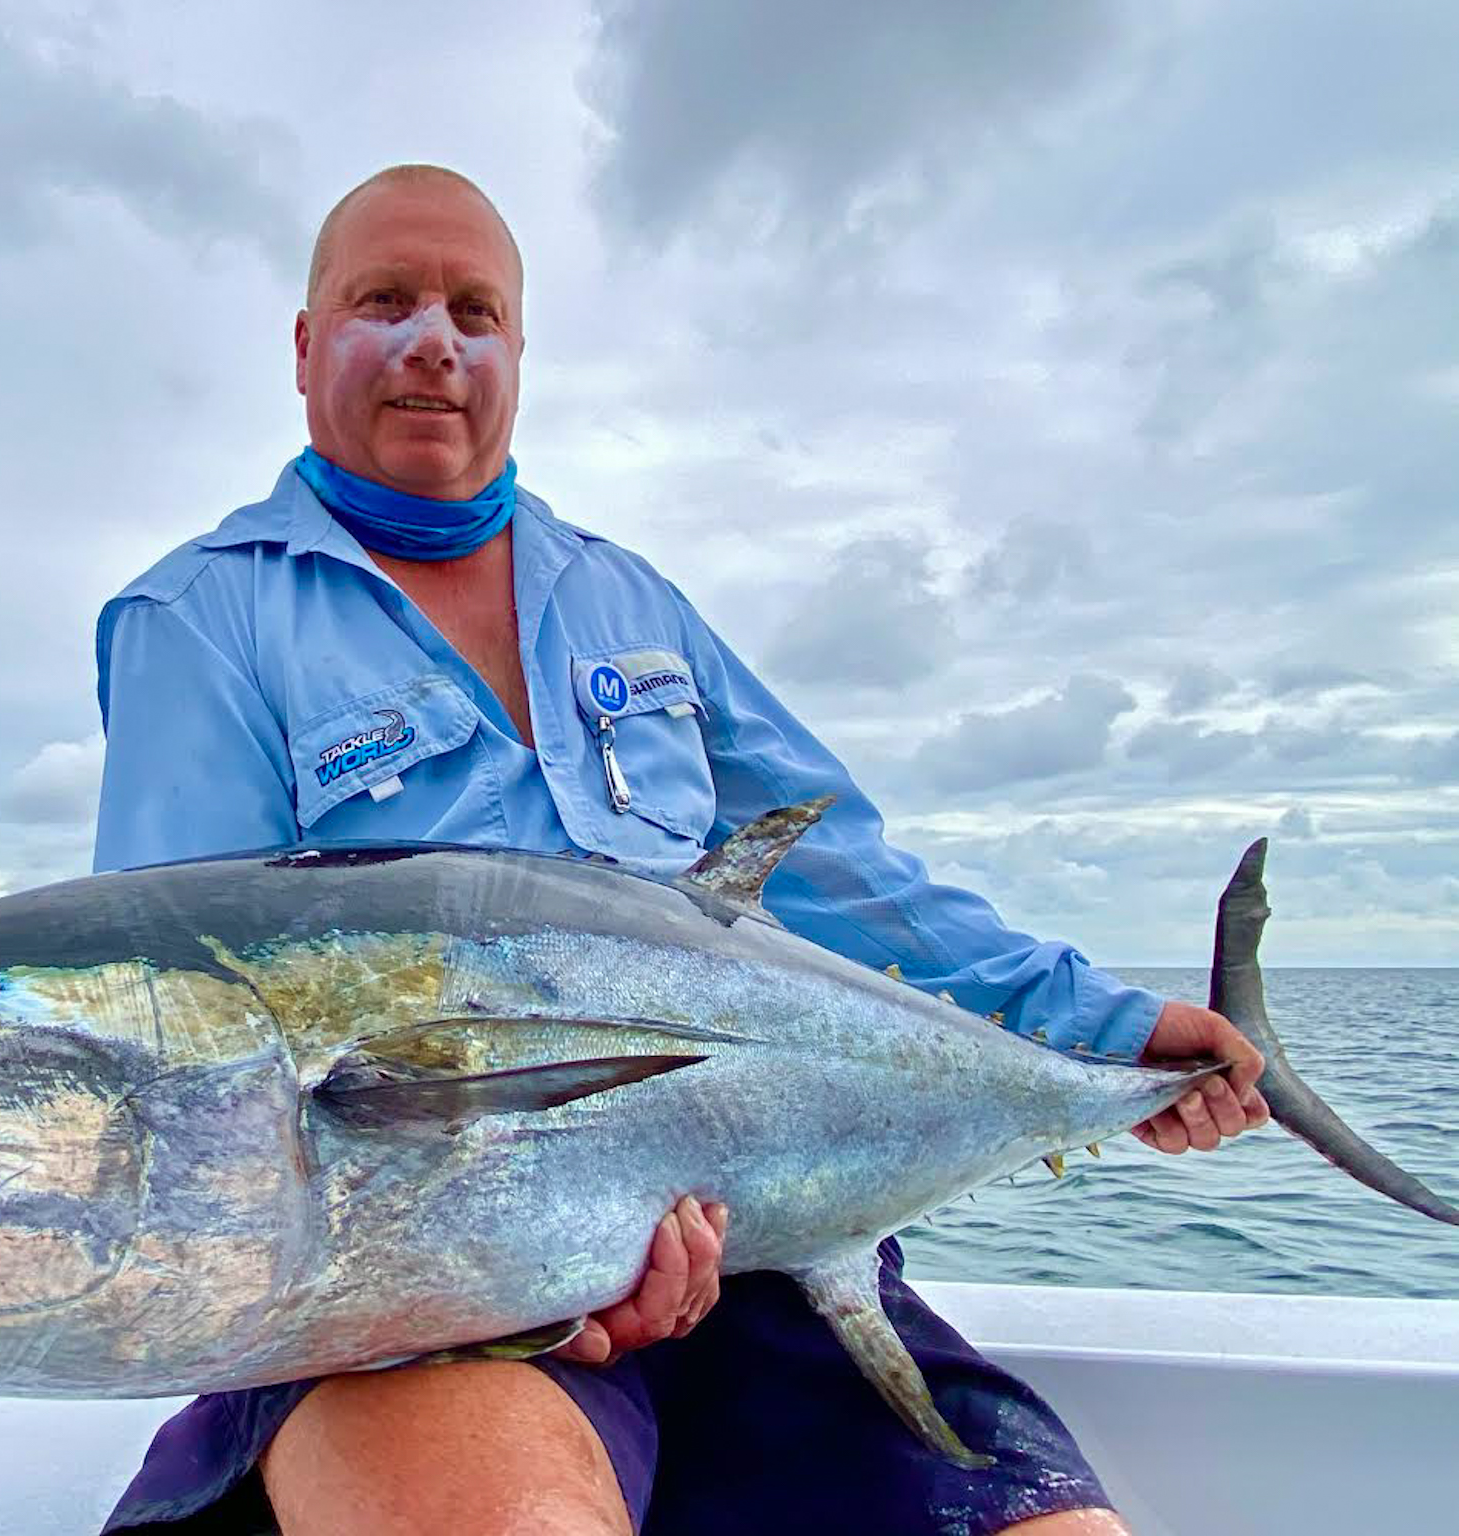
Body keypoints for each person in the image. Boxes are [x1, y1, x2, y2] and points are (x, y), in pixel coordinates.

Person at [90, 164, 1269, 1536]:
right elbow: (189, 1055)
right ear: (306, 347)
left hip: (760, 1250)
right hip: (400, 1314)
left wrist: (1110, 1029)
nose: (433, 340)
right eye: (384, 300)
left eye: (475, 310)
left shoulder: (625, 598)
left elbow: (845, 879)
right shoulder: (201, 619)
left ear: (518, 355)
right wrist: (531, 1255)